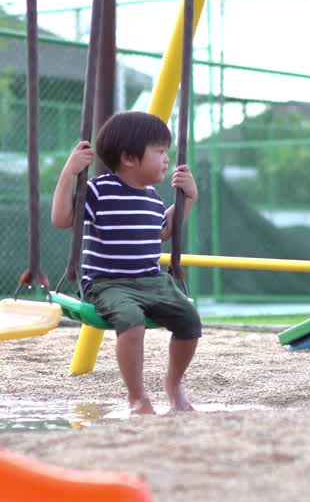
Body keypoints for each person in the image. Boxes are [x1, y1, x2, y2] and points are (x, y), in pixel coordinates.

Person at [51, 111, 200, 415]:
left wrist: (189, 199)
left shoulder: (153, 199)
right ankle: (137, 396)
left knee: (189, 319)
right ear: (130, 158)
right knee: (132, 322)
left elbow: (163, 233)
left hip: (151, 280)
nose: (166, 159)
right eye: (159, 152)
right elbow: (61, 218)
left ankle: (173, 385)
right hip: (107, 284)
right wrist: (69, 174)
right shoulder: (98, 191)